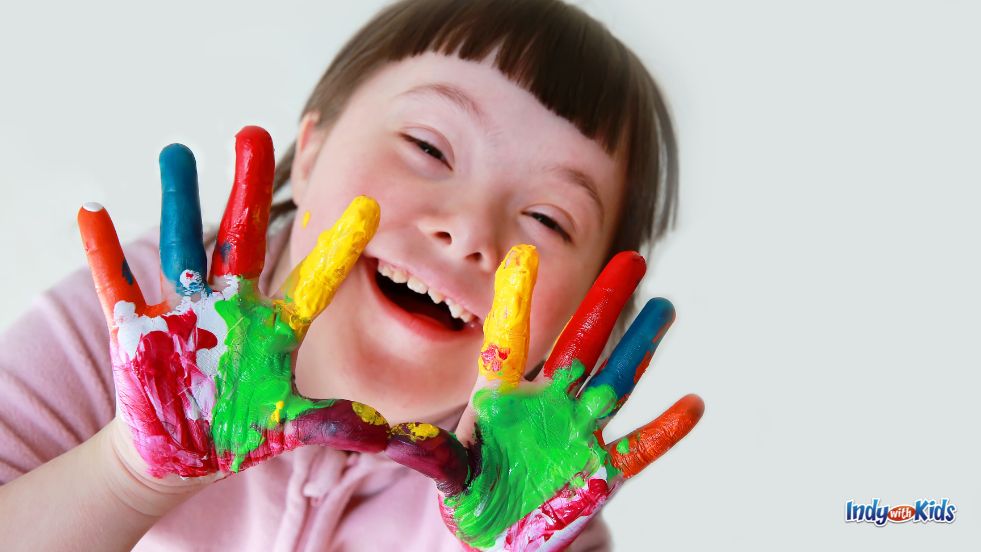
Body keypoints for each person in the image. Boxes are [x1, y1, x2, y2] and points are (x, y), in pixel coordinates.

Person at [0, 0, 700, 549]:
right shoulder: (145, 337)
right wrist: (128, 475)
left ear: (586, 310)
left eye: (548, 220)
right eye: (428, 146)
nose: (467, 231)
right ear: (310, 153)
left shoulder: (532, 499)